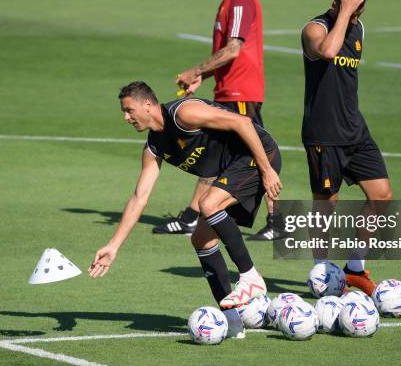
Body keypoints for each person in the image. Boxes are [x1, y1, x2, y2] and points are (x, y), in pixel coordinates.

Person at [89, 81, 282, 338]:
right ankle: (232, 320)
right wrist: (113, 246)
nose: (126, 117)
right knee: (201, 239)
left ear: (147, 105)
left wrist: (267, 170)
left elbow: (243, 123)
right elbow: (139, 197)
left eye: (129, 110)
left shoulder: (183, 114)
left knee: (208, 203)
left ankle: (250, 277)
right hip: (231, 169)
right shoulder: (153, 147)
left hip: (259, 156)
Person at [152, 0, 283, 241]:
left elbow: (234, 48)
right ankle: (194, 216)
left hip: (241, 92)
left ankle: (275, 220)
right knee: (221, 154)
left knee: (250, 151)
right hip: (229, 90)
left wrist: (196, 69)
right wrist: (205, 77)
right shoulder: (228, 1)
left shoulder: (240, 1)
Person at [300, 0, 392, 296]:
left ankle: (354, 267)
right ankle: (321, 271)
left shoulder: (359, 28)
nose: (355, 18)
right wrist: (344, 14)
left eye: (359, 11)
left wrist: (352, 17)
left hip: (355, 130)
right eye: (351, 9)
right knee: (327, 204)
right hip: (323, 132)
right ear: (336, 3)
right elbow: (327, 51)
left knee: (381, 195)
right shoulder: (314, 29)